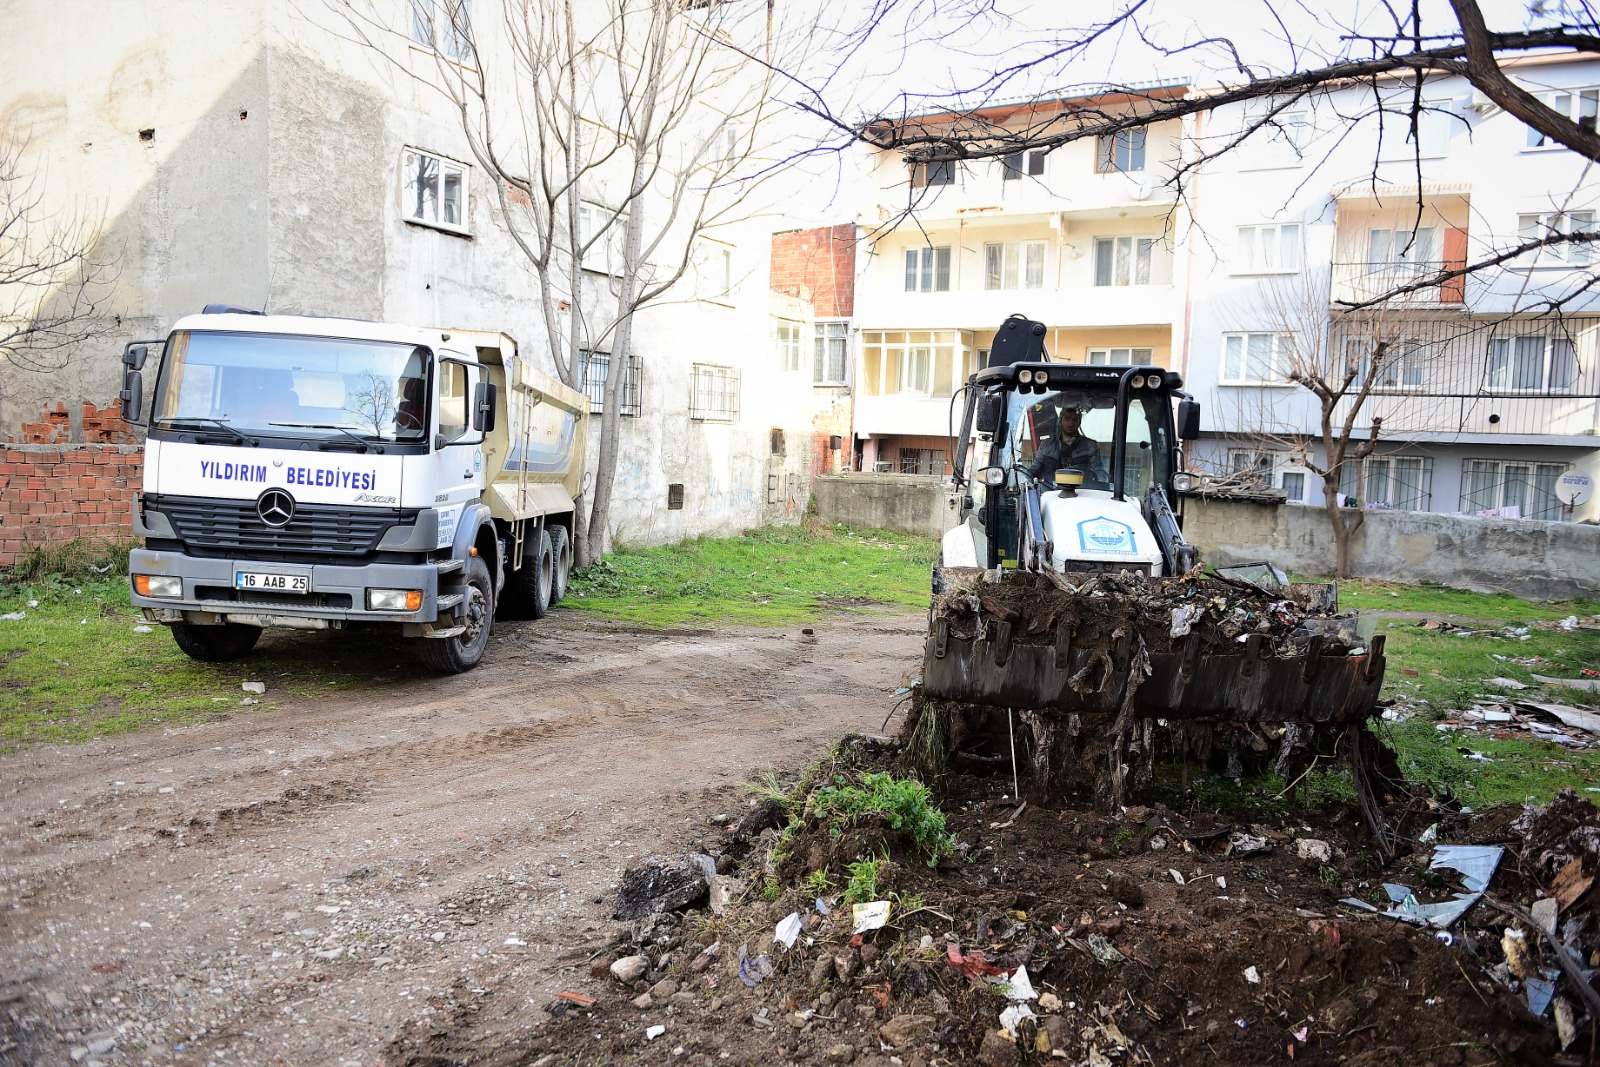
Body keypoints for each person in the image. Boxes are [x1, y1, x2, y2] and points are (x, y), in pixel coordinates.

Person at [1027, 400, 1108, 483]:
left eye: (1074, 419)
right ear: (1060, 421)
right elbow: (1034, 469)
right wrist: (1028, 480)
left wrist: (1101, 483)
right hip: (1050, 491)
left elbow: (1099, 469)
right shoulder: (1046, 445)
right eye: (1067, 419)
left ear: (1079, 423)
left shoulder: (1090, 446)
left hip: (1081, 491)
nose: (1071, 423)